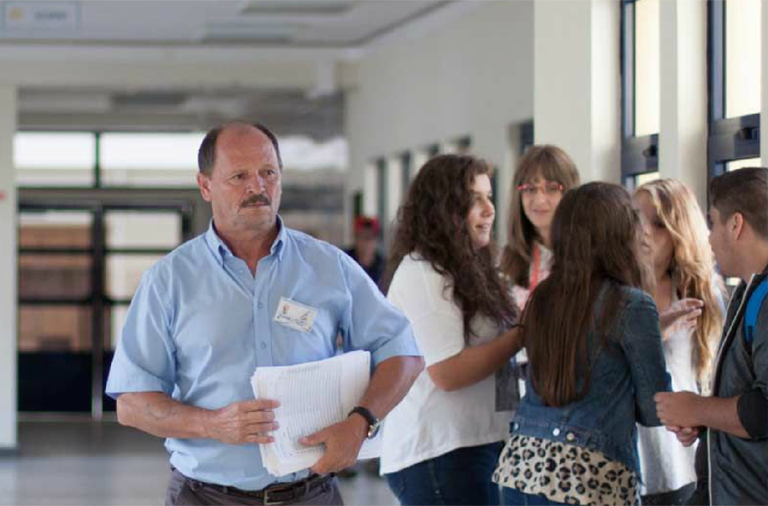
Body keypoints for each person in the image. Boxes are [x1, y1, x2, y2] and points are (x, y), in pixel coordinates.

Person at [105, 121, 424, 506]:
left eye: (268, 173)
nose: (257, 187)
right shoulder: (168, 281)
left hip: (312, 494)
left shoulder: (329, 267)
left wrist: (361, 423)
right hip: (205, 497)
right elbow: (132, 403)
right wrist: (213, 425)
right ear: (205, 186)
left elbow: (402, 352)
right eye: (239, 176)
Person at [493, 182, 671, 506]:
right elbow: (654, 409)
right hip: (589, 477)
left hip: (521, 467)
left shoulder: (543, 297)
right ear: (621, 234)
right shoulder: (632, 305)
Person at [379, 154, 522, 506]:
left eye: (489, 197)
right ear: (443, 208)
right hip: (439, 452)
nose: (489, 209)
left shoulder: (472, 267)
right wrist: (523, 332)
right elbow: (447, 372)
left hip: (475, 442)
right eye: (475, 199)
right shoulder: (424, 273)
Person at [655, 167, 768, 506]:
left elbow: (764, 410)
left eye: (714, 223)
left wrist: (699, 409)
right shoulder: (750, 291)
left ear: (736, 225)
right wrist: (702, 419)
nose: (708, 237)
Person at [632, 179, 725, 506]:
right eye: (636, 219)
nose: (644, 232)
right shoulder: (616, 291)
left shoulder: (701, 294)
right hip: (626, 455)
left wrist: (700, 421)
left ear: (678, 231)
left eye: (657, 224)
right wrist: (656, 333)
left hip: (681, 458)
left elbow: (714, 377)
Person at [500, 145, 580, 311]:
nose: (539, 199)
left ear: (570, 193)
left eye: (551, 188)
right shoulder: (505, 261)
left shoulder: (586, 256)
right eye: (529, 189)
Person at [344, 216, 385, 287]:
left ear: (377, 240)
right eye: (362, 236)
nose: (366, 242)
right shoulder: (345, 261)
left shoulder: (384, 267)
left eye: (370, 237)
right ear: (355, 238)